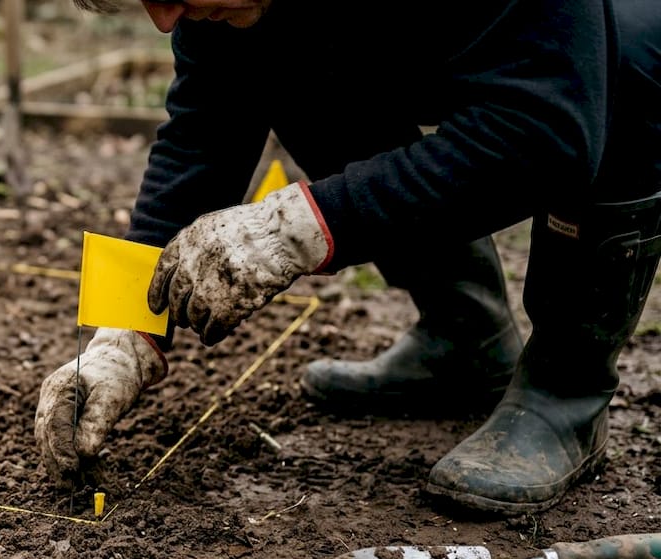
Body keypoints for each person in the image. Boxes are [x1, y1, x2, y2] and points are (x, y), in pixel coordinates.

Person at [35, 0, 661, 515]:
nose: (162, 20)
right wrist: (122, 333)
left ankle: (565, 392)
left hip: (605, 34)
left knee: (626, 69)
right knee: (300, 76)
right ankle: (466, 342)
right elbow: (201, 129)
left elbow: (545, 135)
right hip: (439, 36)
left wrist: (306, 226)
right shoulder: (214, 7)